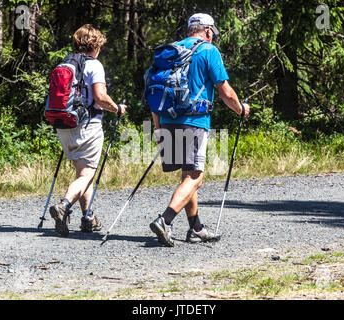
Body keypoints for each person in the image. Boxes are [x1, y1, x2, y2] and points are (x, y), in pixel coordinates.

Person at [149, 13, 250, 247]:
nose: (213, 37)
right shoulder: (208, 51)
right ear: (207, 31)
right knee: (195, 177)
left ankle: (196, 228)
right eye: (212, 33)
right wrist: (241, 109)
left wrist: (157, 128)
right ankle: (165, 220)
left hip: (166, 120)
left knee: (187, 176)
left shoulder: (171, 51)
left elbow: (152, 91)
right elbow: (224, 90)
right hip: (194, 122)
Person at [49, 24, 127, 237]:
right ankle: (64, 205)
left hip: (63, 125)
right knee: (87, 173)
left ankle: (88, 217)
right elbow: (100, 98)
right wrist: (117, 109)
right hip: (88, 124)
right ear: (95, 45)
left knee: (82, 173)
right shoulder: (94, 65)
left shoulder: (65, 63)